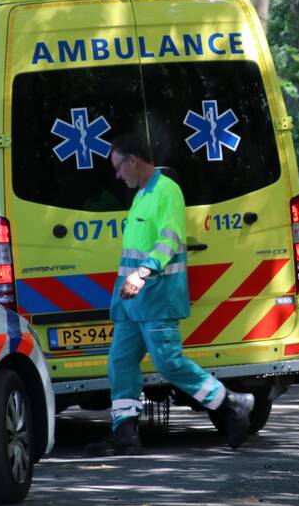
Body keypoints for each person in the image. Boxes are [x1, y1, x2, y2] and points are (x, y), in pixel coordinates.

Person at [88, 134, 255, 455]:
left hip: (157, 296)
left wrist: (141, 274)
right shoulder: (141, 195)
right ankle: (124, 431)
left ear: (133, 160)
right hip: (132, 303)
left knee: (169, 363)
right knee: (120, 361)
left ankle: (231, 404)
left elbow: (168, 242)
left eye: (118, 167)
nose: (117, 175)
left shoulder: (167, 191)